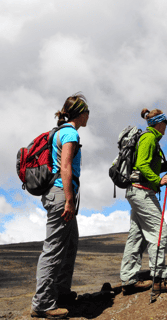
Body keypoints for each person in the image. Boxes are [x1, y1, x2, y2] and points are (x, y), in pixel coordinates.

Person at [31, 93, 90, 319]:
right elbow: (65, 167)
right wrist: (68, 199)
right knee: (54, 249)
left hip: (58, 193)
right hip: (60, 195)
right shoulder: (70, 133)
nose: (88, 116)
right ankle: (43, 304)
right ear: (81, 113)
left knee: (70, 242)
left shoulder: (60, 131)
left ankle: (61, 293)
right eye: (87, 112)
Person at [120, 108, 167, 295]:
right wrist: (159, 181)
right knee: (159, 231)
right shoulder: (149, 138)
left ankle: (129, 280)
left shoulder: (151, 139)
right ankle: (159, 279)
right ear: (159, 123)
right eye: (165, 123)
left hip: (137, 191)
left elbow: (148, 165)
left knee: (137, 236)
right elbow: (141, 165)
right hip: (142, 192)